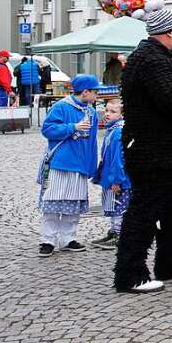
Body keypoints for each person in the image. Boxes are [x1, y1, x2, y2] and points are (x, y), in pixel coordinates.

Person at [113, 10, 172, 294]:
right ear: (167, 32)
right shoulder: (151, 60)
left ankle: (170, 261)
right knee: (144, 211)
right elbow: (171, 103)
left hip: (167, 152)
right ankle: (130, 274)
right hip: (153, 151)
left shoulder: (157, 57)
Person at [37, 75, 100, 257]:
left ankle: (67, 239)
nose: (96, 95)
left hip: (79, 165)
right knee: (52, 203)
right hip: (60, 163)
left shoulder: (92, 113)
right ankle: (47, 240)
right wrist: (73, 127)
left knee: (73, 204)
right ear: (86, 92)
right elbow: (48, 129)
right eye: (95, 92)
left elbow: (92, 142)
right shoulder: (61, 107)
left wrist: (91, 166)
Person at [92, 98, 130, 250]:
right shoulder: (112, 130)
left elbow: (118, 159)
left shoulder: (118, 133)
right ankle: (114, 231)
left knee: (119, 207)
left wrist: (116, 180)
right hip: (111, 177)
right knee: (114, 206)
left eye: (113, 112)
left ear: (122, 115)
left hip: (119, 180)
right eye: (107, 110)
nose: (107, 114)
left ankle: (119, 235)